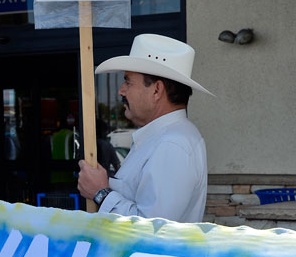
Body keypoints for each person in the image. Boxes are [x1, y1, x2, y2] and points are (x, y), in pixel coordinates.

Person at [77, 33, 213, 221]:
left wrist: (101, 193)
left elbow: (154, 229)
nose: (121, 90)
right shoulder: (165, 138)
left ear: (156, 90)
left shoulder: (172, 144)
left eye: (128, 81)